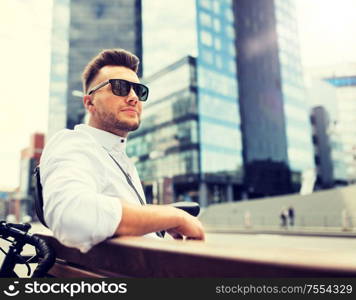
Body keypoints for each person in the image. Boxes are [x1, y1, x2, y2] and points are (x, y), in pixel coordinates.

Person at [40, 49, 205, 253]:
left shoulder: (121, 158)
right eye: (120, 87)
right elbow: (71, 214)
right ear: (89, 102)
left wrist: (159, 221)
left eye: (139, 90)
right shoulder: (73, 143)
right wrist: (172, 217)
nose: (133, 97)